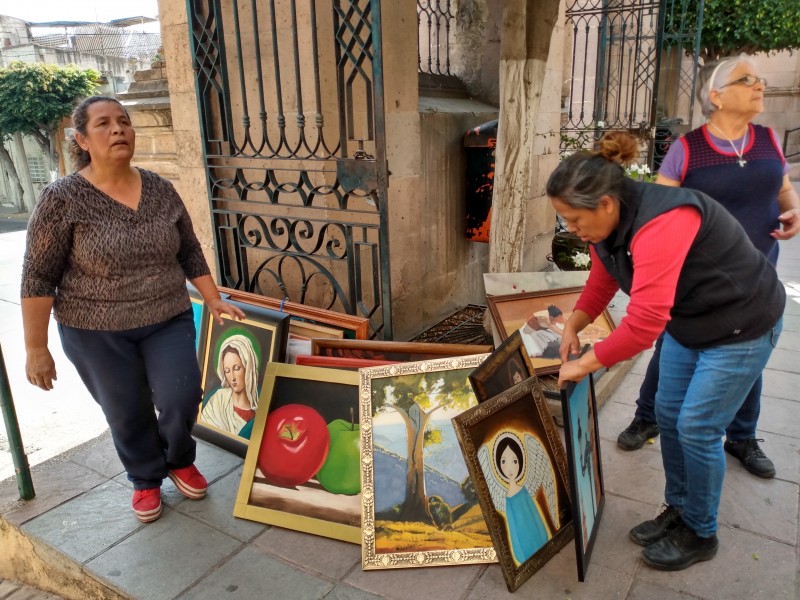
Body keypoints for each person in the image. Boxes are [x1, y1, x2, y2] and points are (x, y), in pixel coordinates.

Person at [549, 131, 784, 571]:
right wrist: (573, 327)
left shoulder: (664, 220)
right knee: (669, 414)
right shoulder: (607, 224)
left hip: (743, 323)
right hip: (691, 320)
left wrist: (586, 363)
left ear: (605, 203)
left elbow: (642, 325)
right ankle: (680, 509)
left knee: (697, 426)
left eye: (574, 220)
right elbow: (603, 279)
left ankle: (701, 532)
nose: (573, 230)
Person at [21, 96, 246, 523]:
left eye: (124, 121)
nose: (118, 129)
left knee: (182, 396)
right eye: (103, 124)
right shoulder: (62, 198)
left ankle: (179, 460)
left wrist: (213, 298)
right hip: (94, 330)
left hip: (166, 316)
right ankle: (145, 477)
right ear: (82, 140)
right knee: (126, 409)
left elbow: (190, 251)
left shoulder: (161, 189)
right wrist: (37, 347)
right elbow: (36, 276)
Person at [616, 55, 800, 481]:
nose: (760, 85)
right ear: (715, 96)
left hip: (757, 278)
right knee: (672, 347)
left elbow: (784, 192)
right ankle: (648, 417)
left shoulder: (770, 140)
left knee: (745, 357)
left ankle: (742, 436)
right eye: (747, 79)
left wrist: (793, 213)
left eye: (760, 79)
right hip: (697, 280)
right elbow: (659, 211)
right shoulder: (687, 149)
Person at [201, 334, 260, 438]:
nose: (232, 377)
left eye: (237, 368)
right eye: (227, 371)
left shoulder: (260, 408)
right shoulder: (218, 400)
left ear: (248, 367)